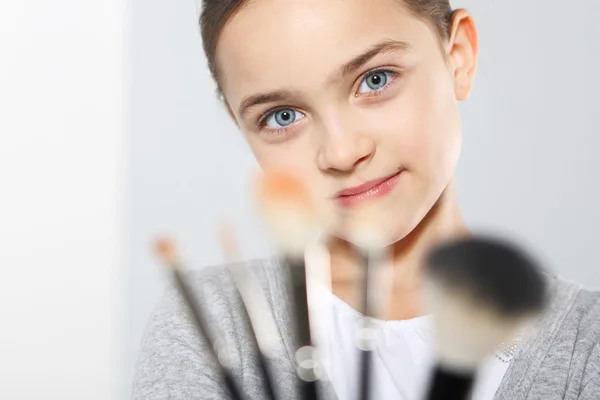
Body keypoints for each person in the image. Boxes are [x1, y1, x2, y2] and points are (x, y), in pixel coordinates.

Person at [131, 0, 600, 399]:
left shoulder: (588, 346)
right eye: (283, 115)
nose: (341, 152)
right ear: (241, 127)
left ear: (457, 57)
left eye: (375, 80)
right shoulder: (212, 326)